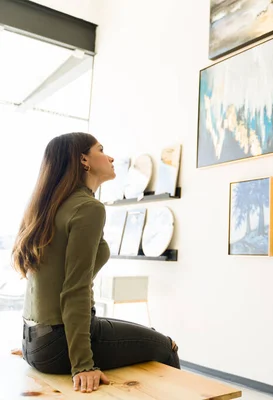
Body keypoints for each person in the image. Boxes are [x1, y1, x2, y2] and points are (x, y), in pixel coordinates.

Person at [12, 132, 180, 393]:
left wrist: (33, 345)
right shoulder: (88, 208)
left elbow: (41, 279)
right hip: (59, 344)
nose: (110, 157)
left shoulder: (47, 206)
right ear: (84, 160)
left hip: (35, 341)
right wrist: (83, 365)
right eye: (101, 149)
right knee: (166, 346)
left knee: (151, 334)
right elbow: (75, 289)